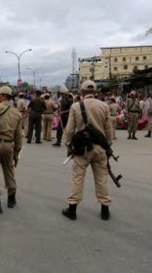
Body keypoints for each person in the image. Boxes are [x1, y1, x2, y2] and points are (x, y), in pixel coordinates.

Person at [62, 80, 113, 221]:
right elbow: (109, 129)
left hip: (82, 148)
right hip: (101, 148)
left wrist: (68, 145)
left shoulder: (76, 106)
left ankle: (72, 209)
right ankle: (105, 210)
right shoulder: (104, 106)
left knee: (78, 178)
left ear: (82, 92)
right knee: (102, 179)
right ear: (95, 92)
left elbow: (70, 129)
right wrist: (108, 146)